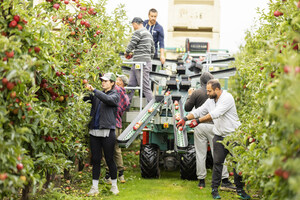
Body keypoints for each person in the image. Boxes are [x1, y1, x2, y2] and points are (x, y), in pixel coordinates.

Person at [177, 79, 251, 199]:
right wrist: (185, 118)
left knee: (238, 164)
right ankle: (214, 190)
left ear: (217, 89)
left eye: (209, 91)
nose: (207, 93)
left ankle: (240, 190)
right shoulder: (210, 100)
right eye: (207, 91)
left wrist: (197, 121)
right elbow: (199, 111)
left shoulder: (227, 98)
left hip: (234, 136)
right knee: (217, 164)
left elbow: (215, 114)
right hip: (219, 136)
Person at [184, 72, 235, 191]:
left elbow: (187, 108)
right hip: (213, 126)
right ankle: (225, 179)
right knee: (218, 154)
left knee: (200, 153)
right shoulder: (217, 94)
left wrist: (189, 95)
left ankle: (201, 181)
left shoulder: (196, 92)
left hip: (200, 126)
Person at [83, 72, 120, 196]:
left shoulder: (115, 95)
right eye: (102, 81)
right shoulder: (97, 95)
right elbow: (84, 98)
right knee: (96, 159)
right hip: (94, 130)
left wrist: (94, 90)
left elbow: (108, 100)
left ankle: (114, 186)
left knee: (109, 159)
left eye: (106, 81)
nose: (103, 83)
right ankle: (94, 187)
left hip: (107, 131)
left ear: (112, 83)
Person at [104, 74, 130, 184]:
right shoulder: (126, 96)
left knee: (107, 150)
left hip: (111, 123)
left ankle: (108, 175)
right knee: (117, 149)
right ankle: (121, 174)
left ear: (120, 83)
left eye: (117, 80)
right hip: (118, 124)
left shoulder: (117, 90)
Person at [126, 17, 155, 103]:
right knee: (131, 84)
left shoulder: (138, 32)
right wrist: (147, 58)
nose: (133, 27)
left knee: (144, 85)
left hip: (141, 63)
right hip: (141, 62)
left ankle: (152, 105)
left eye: (133, 25)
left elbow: (132, 44)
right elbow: (153, 50)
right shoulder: (149, 34)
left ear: (135, 24)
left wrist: (127, 52)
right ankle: (125, 104)